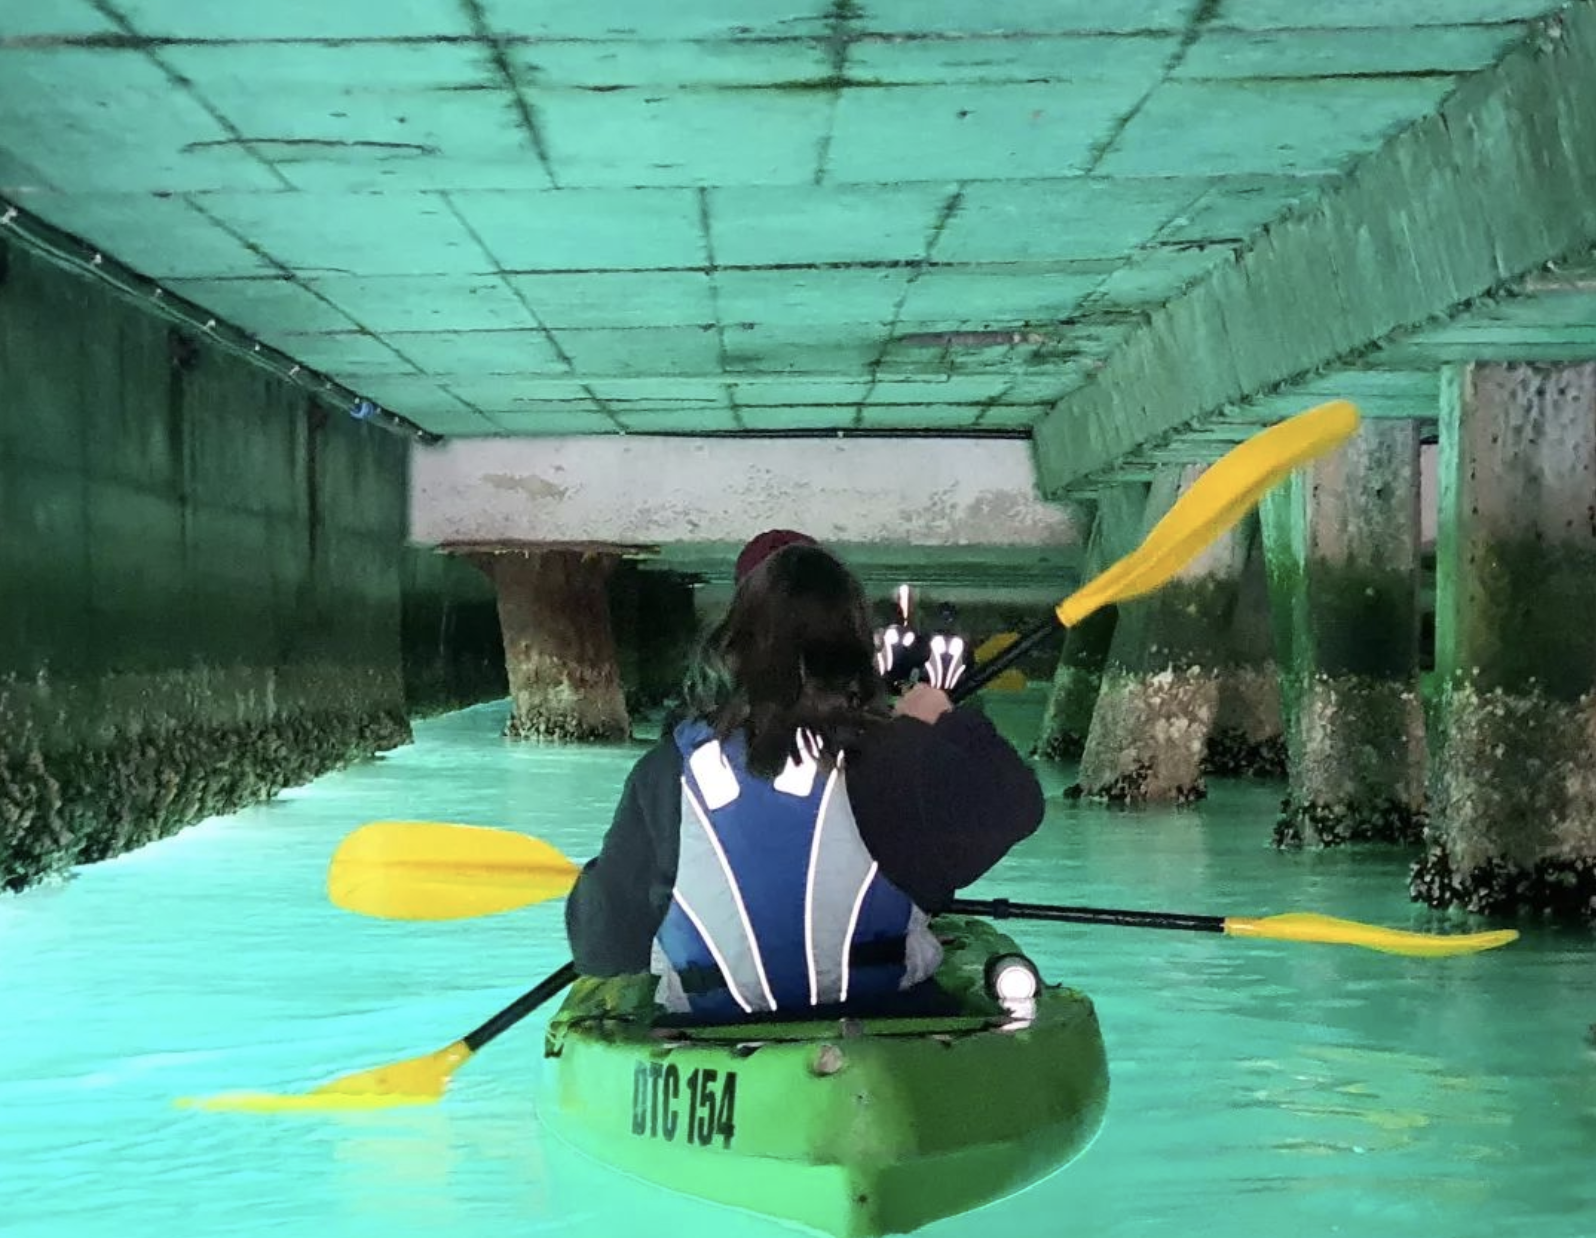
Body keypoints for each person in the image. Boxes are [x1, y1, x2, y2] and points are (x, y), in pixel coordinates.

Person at [564, 533, 1044, 1022]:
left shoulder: (666, 771)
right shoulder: (892, 755)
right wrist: (942, 722)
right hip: (887, 1018)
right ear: (857, 646)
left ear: (734, 640)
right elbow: (1018, 805)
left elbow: (603, 947)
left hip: (711, 1027)